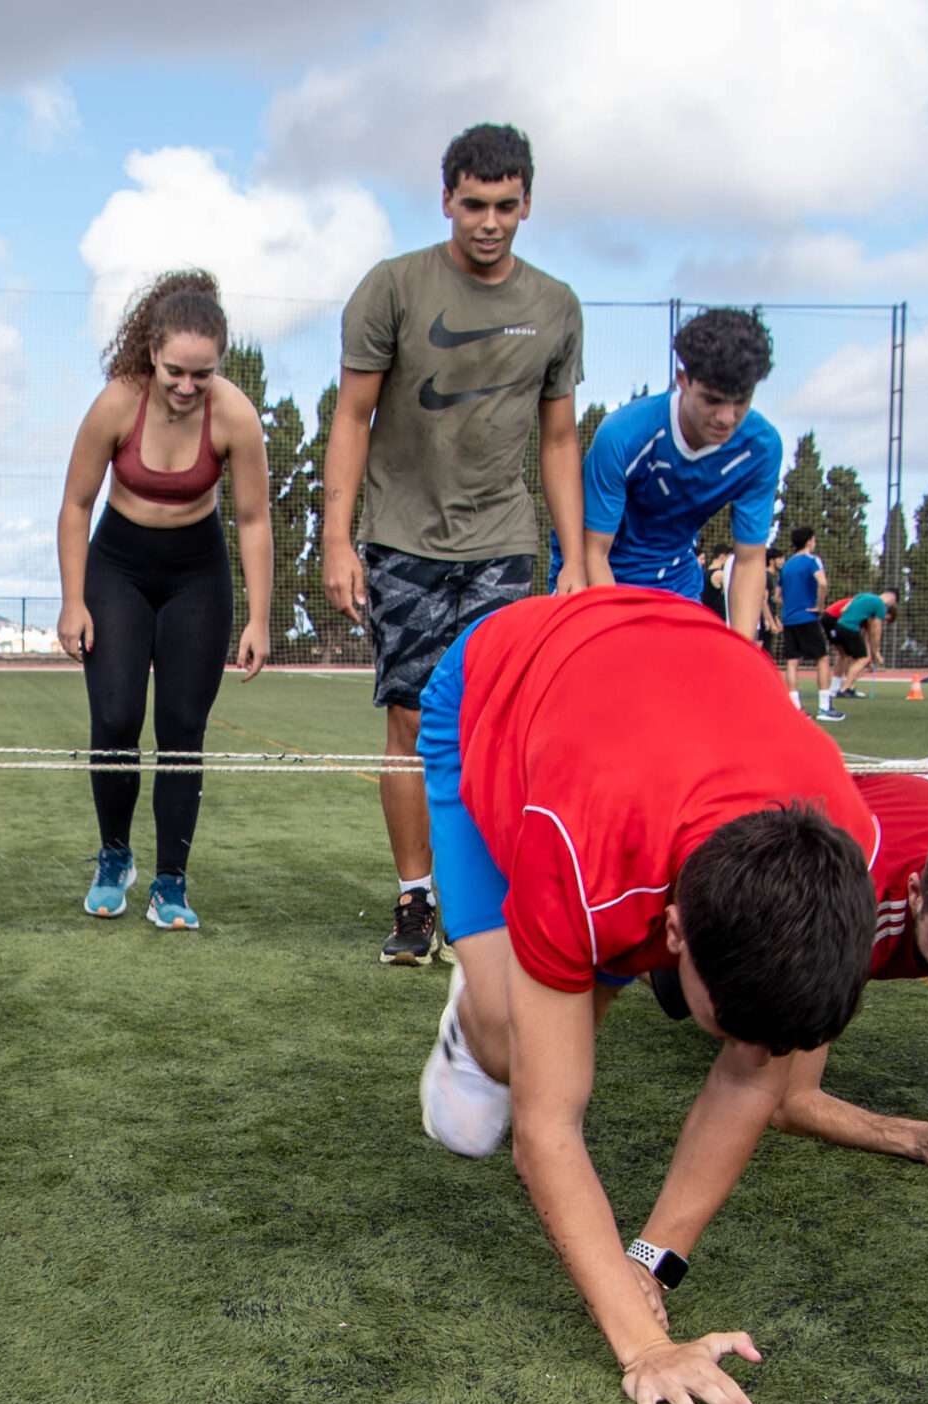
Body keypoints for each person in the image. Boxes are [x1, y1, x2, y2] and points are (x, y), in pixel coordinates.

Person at [414, 588, 878, 1404]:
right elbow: (546, 1131)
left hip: (637, 719)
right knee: (512, 1054)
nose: (755, 1057)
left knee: (578, 981)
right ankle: (482, 1005)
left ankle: (556, 967)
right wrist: (644, 1345)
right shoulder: (577, 845)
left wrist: (649, 1265)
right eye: (728, 1030)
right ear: (673, 933)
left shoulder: (848, 841)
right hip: (494, 690)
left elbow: (754, 1077)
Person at [320, 122, 585, 967]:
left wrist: (577, 560)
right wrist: (336, 539)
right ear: (446, 200)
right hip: (403, 539)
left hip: (504, 542)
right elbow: (351, 416)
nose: (489, 222)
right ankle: (416, 897)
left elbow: (558, 439)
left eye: (506, 205)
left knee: (495, 727)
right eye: (474, 204)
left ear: (527, 203)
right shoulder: (393, 287)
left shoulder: (556, 306)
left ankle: (488, 899)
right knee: (410, 717)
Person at [652, 779, 928, 1172]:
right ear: (916, 895)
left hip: (869, 821)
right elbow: (789, 1103)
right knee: (690, 994)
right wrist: (911, 1136)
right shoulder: (846, 903)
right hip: (768, 828)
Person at [54, 272, 273, 929]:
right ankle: (114, 857)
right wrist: (73, 600)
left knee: (182, 729)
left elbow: (253, 520)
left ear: (219, 364)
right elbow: (76, 505)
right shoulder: (118, 404)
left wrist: (260, 618)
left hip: (196, 576)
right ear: (152, 353)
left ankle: (171, 883)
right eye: (175, 370)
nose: (186, 386)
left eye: (202, 374)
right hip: (117, 569)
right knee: (116, 716)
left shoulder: (234, 416)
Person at [577, 307, 779, 633]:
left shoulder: (761, 448)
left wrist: (742, 650)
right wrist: (616, 636)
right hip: (598, 576)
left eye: (741, 401)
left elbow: (750, 559)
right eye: (712, 400)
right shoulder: (623, 435)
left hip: (676, 581)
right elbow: (594, 552)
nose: (726, 418)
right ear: (682, 380)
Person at [776, 528, 840, 720]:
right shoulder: (812, 561)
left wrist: (792, 604)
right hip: (807, 617)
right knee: (822, 658)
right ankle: (824, 707)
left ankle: (795, 708)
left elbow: (777, 596)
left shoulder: (787, 565)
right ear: (810, 541)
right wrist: (819, 606)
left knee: (792, 661)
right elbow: (822, 583)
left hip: (789, 618)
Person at [822, 588, 897, 696]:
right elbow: (875, 631)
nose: (884, 622)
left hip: (838, 622)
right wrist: (875, 653)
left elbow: (866, 638)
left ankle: (844, 687)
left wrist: (870, 657)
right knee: (854, 657)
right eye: (885, 619)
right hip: (834, 619)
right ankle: (844, 688)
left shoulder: (865, 598)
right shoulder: (878, 606)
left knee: (847, 655)